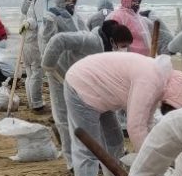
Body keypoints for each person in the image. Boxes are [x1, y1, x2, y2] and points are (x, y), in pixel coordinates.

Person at [42, 21, 134, 166]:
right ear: (112, 40)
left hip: (87, 83)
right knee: (66, 119)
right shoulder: (90, 41)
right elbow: (59, 39)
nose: (125, 50)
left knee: (106, 119)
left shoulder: (109, 51)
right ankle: (73, 163)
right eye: (123, 46)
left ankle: (113, 157)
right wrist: (48, 64)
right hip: (61, 74)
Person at [21, 0, 66, 112]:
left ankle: (62, 106)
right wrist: (27, 23)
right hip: (40, 42)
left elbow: (67, 18)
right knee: (43, 72)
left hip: (58, 40)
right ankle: (37, 104)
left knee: (60, 73)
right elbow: (32, 18)